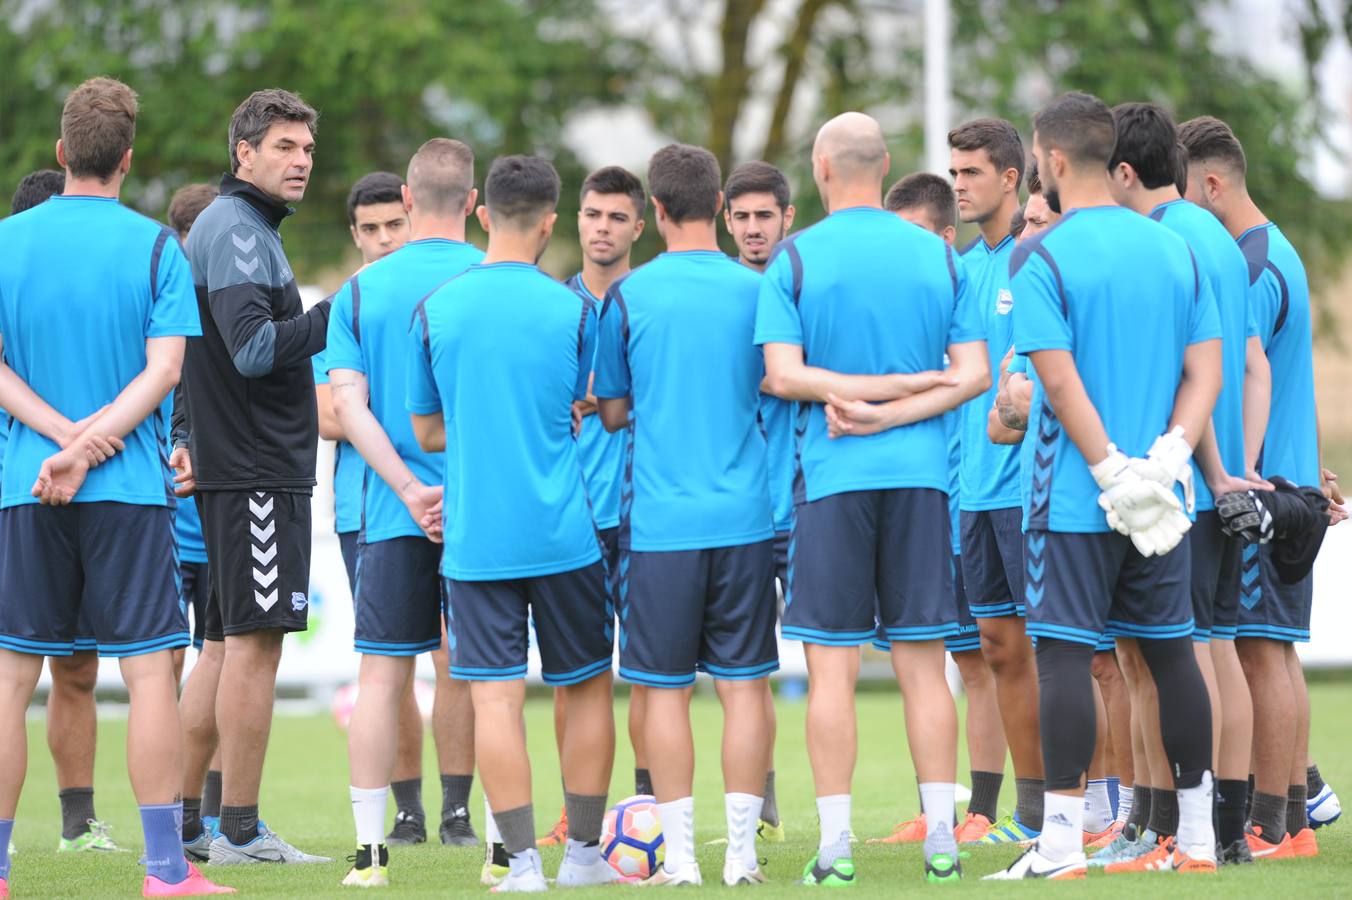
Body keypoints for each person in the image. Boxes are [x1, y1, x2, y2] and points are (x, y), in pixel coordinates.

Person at [0, 76, 229, 896]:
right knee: (148, 675)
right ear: (127, 160)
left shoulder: (3, 241)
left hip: (27, 485)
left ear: (62, 154)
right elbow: (164, 371)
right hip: (127, 492)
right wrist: (92, 444)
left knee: (11, 677)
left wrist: (61, 440)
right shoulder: (158, 248)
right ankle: (167, 873)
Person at [985, 91, 1221, 880]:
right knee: (1172, 657)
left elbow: (1057, 380)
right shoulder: (1176, 248)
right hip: (1163, 497)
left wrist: (1112, 470)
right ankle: (1193, 841)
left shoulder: (1040, 255)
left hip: (1077, 499)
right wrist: (1168, 458)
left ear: (1050, 161)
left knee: (1062, 657)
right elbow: (1206, 370)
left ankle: (1059, 845)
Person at [761, 112, 989, 885]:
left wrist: (862, 410)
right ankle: (944, 842)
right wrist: (899, 396)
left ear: (821, 168)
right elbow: (971, 376)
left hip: (831, 481)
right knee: (926, 667)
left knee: (831, 670)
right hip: (924, 481)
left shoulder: (793, 258)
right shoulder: (940, 255)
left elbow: (785, 376)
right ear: (884, 164)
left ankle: (834, 847)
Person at [408, 154, 618, 892]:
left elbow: (427, 431)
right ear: (552, 222)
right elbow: (585, 401)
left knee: (495, 698)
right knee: (588, 687)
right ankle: (585, 859)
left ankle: (521, 864)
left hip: (478, 539)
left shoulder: (435, 308)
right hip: (564, 534)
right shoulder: (576, 309)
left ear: (480, 211)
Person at [593, 144, 778, 888]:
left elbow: (610, 411)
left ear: (657, 212)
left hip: (662, 525)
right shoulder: (758, 290)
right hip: (745, 518)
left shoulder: (627, 297)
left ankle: (684, 861)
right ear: (720, 207)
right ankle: (741, 855)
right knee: (745, 689)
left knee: (662, 692)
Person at [1104, 101, 1263, 869]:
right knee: (1214, 646)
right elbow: (1248, 362)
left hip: (1184, 475)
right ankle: (1222, 828)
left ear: (1122, 170)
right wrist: (1242, 462)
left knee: (1171, 653)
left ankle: (1168, 826)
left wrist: (1199, 465)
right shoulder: (1221, 241)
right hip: (1221, 470)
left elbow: (1183, 370)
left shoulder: (1163, 241)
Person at [176, 88, 330, 864]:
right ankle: (238, 830)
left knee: (222, 645)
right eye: (283, 148)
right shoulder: (238, 230)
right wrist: (339, 313)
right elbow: (252, 349)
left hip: (238, 470)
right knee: (254, 647)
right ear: (245, 152)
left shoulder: (236, 226)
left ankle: (183, 827)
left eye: (306, 149)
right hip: (257, 472)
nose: (300, 161)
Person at [1179, 114, 1340, 859]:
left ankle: (1272, 824)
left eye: (1180, 191)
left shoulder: (1252, 266)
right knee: (1271, 651)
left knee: (1256, 652)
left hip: (1264, 490)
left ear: (1211, 184)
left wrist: (1246, 479)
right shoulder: (1275, 253)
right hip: (1290, 484)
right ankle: (1298, 820)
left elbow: (1251, 374)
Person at [328, 139, 484, 887]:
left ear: (410, 202)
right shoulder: (497, 278)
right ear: (475, 204)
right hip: (482, 512)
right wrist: (451, 489)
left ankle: (369, 853)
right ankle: (493, 841)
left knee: (381, 676)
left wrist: (407, 489)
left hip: (390, 512)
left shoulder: (360, 291)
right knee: (482, 673)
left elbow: (347, 407)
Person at [871, 171, 1007, 846]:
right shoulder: (907, 301)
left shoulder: (977, 283)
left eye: (919, 237)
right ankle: (945, 810)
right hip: (934, 502)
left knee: (994, 657)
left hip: (984, 494)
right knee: (946, 659)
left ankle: (996, 809)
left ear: (946, 240)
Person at [9, 165, 129, 855]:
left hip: (82, 494)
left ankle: (78, 823)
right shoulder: (14, 267)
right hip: (21, 498)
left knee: (76, 669)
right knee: (13, 674)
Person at [538, 164, 649, 850]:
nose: (602, 227)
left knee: (645, 673)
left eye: (616, 217)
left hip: (642, 516)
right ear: (575, 221)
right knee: (575, 676)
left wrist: (613, 399)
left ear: (640, 227)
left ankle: (645, 809)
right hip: (572, 516)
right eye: (592, 214)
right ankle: (573, 812)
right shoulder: (553, 308)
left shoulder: (653, 302)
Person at [949, 119, 1049, 845]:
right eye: (954, 173)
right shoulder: (957, 269)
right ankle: (1034, 812)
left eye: (972, 173)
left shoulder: (1036, 257)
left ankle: (1097, 808)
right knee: (998, 648)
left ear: (1011, 178)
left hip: (1028, 490)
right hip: (969, 492)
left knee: (1068, 653)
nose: (959, 186)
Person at [722, 159, 795, 843]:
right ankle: (763, 807)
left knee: (844, 660)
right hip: (743, 510)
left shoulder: (805, 286)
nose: (751, 229)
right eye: (740, 217)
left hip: (809, 505)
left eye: (762, 216)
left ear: (786, 219)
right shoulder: (722, 297)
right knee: (748, 666)